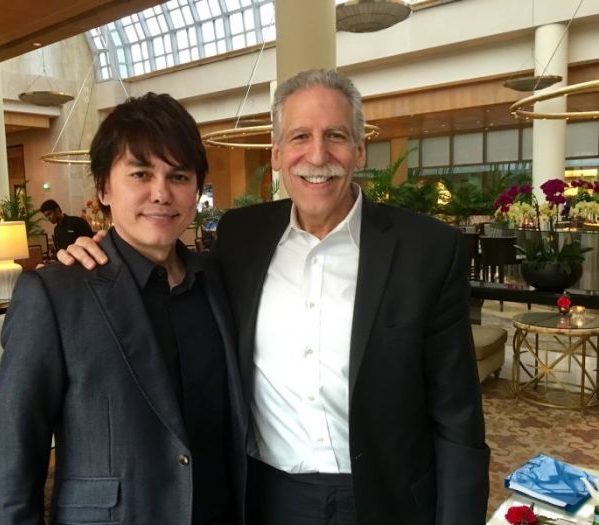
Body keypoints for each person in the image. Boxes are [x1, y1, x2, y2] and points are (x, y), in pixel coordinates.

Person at [59, 69, 490, 525]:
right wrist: (101, 249)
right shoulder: (242, 238)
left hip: (386, 499)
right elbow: (161, 264)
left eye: (337, 136)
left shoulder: (427, 249)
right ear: (278, 154)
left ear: (360, 150)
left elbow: (457, 416)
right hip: (265, 498)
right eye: (300, 136)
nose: (318, 155)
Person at [0, 93, 247, 525]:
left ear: (195, 189)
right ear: (104, 188)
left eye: (179, 176)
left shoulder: (217, 280)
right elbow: (16, 450)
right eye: (141, 174)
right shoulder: (55, 294)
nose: (161, 193)